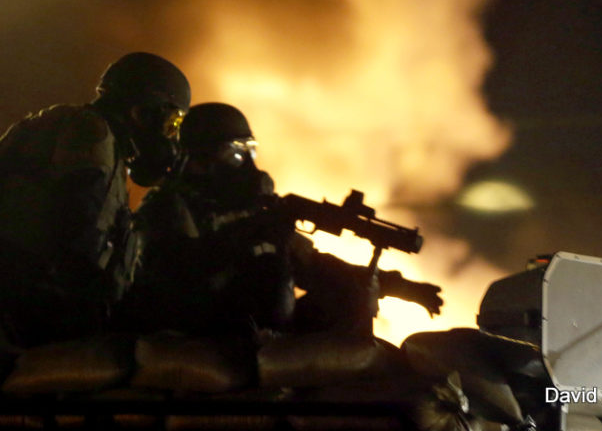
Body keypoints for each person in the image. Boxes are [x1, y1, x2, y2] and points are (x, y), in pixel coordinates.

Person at [119, 102, 443, 338]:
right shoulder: (168, 207)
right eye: (234, 154)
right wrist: (247, 237)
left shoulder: (254, 210)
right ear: (197, 160)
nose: (246, 165)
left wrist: (397, 286)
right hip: (197, 333)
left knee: (350, 294)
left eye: (250, 152)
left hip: (261, 331)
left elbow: (313, 266)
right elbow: (177, 279)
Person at [0, 52, 190, 348]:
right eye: (172, 123)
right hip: (39, 310)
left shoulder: (67, 125)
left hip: (8, 300)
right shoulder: (93, 135)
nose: (169, 137)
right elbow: (79, 243)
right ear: (144, 110)